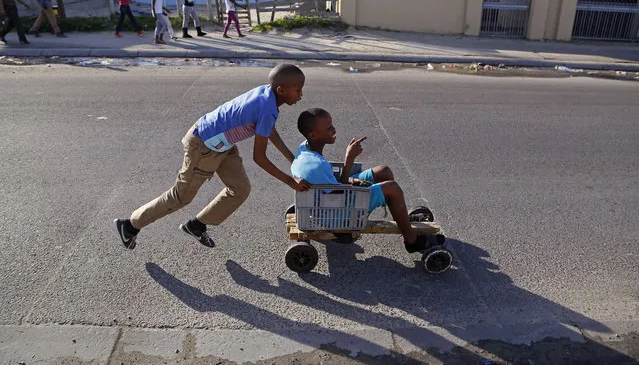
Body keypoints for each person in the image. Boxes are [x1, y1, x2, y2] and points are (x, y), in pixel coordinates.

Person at [114, 64, 311, 250]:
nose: (301, 94)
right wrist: (290, 181)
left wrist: (292, 159)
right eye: (298, 90)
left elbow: (268, 129)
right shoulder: (267, 107)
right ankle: (130, 226)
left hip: (222, 144)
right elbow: (259, 158)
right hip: (204, 146)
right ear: (281, 90)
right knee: (181, 196)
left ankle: (196, 226)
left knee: (240, 189)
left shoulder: (267, 96)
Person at [291, 108, 431, 253]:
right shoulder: (317, 166)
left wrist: (351, 179)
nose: (334, 129)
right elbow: (341, 195)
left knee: (384, 171)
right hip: (337, 217)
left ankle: (402, 220)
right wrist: (349, 158)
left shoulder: (304, 148)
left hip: (329, 197)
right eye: (328, 128)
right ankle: (412, 241)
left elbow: (334, 186)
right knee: (392, 189)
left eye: (332, 125)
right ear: (313, 135)